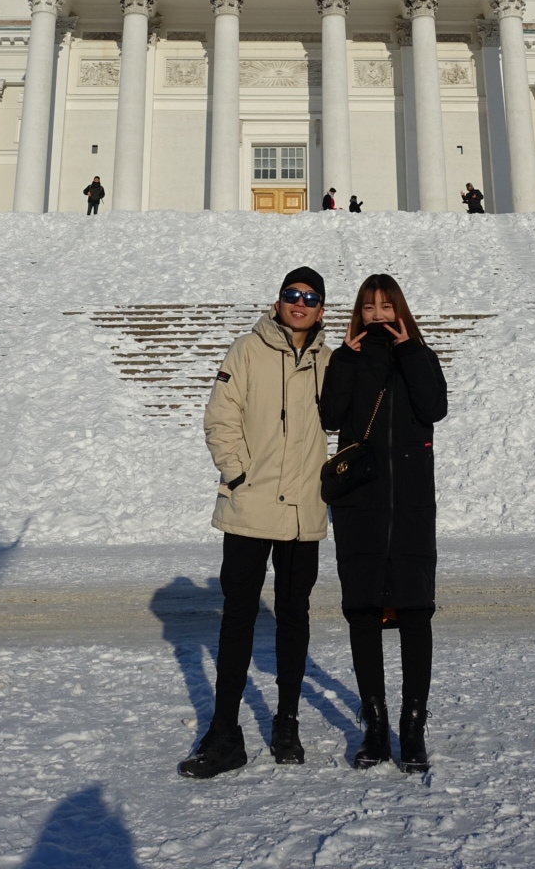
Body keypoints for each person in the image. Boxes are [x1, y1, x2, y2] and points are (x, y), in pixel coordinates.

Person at [179, 266, 332, 780]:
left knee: (293, 616)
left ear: (322, 309)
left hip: (301, 511)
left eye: (310, 298)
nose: (300, 303)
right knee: (237, 619)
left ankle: (286, 721)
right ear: (278, 300)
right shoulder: (246, 350)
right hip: (248, 508)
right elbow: (220, 417)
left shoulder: (330, 362)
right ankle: (225, 733)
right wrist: (238, 475)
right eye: (292, 294)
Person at [319, 273, 448, 774]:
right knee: (364, 612)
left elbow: (434, 408)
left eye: (385, 306)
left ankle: (411, 730)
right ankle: (375, 727)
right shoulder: (345, 358)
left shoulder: (421, 354)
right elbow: (331, 417)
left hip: (412, 503)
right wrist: (348, 360)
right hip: (361, 504)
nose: (376, 315)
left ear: (400, 309)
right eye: (368, 307)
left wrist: (411, 351)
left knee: (416, 613)